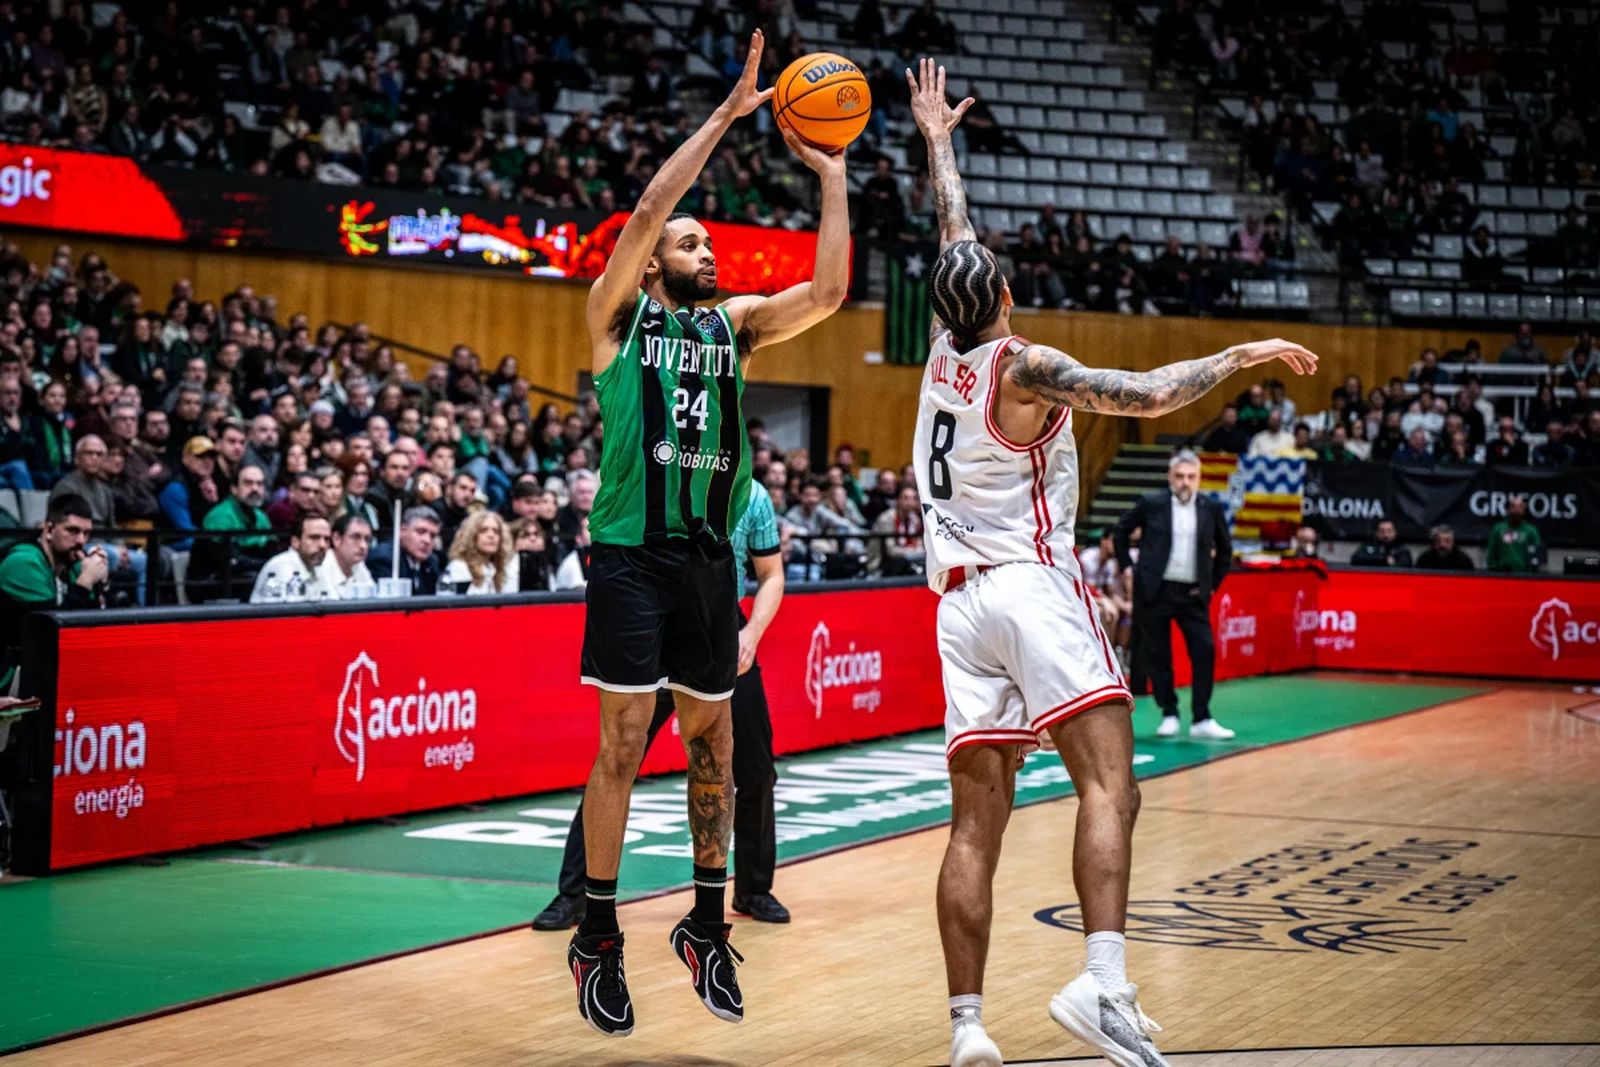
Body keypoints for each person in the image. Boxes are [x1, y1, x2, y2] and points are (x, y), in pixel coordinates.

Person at [904, 59, 1317, 1067]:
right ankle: (1102, 981)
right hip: (1027, 584)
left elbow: (953, 234)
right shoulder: (1025, 366)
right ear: (1006, 295)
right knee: (1110, 784)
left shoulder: (942, 349)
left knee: (973, 826)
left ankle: (966, 1027)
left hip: (954, 605)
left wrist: (938, 141)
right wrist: (1242, 354)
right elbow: (1148, 392)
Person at [567, 30, 848, 1036]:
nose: (706, 253)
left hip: (705, 560)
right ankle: (597, 935)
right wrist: (729, 116)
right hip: (630, 556)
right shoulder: (618, 321)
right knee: (621, 741)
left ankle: (704, 923)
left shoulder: (734, 328)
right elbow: (649, 209)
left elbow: (828, 293)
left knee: (714, 747)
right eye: (692, 245)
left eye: (708, 246)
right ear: (653, 265)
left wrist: (833, 175)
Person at [533, 486, 789, 931]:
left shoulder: (753, 497)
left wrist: (751, 635)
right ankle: (575, 895)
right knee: (617, 760)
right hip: (654, 621)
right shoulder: (656, 476)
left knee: (755, 770)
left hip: (721, 629)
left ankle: (753, 888)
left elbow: (772, 574)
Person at [1113, 451, 1236, 741]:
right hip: (1156, 590)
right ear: (1170, 477)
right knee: (1159, 655)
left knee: (1204, 650)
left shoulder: (1210, 508)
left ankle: (1202, 717)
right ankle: (1169, 712)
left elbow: (1225, 550)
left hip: (1192, 592)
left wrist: (1212, 584)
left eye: (1191, 477)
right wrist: (1127, 567)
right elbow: (1121, 532)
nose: (1185, 482)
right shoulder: (1152, 504)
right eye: (1180, 476)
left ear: (1199, 479)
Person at [0, 494, 106, 689]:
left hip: (38, 666)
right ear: (48, 530)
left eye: (86, 533)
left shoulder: (72, 564)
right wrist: (85, 582)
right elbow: (51, 632)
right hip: (9, 672)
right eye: (72, 531)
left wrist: (100, 583)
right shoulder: (23, 562)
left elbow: (90, 626)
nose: (81, 541)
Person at [193, 463, 275, 600]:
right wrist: (266, 565)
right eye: (248, 483)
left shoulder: (262, 517)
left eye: (260, 484)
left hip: (248, 576)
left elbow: (273, 551)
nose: (255, 488)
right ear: (234, 488)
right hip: (213, 582)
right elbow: (230, 561)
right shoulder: (220, 516)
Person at [249, 513, 333, 601]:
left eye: (327, 539)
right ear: (295, 542)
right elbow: (286, 609)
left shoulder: (319, 567)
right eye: (314, 537)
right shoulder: (280, 567)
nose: (323, 545)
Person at [443, 510, 517, 594]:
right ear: (472, 536)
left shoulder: (495, 570)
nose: (491, 535)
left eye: (496, 531)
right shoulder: (459, 567)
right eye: (483, 530)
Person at [869, 483, 926, 575]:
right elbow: (890, 550)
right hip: (882, 563)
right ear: (898, 500)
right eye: (905, 498)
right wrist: (912, 552)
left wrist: (916, 552)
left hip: (908, 559)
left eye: (914, 499)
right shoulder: (886, 519)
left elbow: (918, 544)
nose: (910, 502)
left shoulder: (915, 519)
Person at [318, 512, 374, 596]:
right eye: (355, 537)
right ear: (336, 539)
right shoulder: (322, 567)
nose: (363, 546)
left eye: (367, 539)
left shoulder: (359, 565)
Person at [393, 506, 443, 595]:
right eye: (420, 531)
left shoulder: (431, 562)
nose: (427, 540)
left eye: (432, 536)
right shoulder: (387, 559)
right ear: (402, 531)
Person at [1486, 496, 1540, 573]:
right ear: (1508, 510)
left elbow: (1536, 557)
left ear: (1524, 511)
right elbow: (1491, 553)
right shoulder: (1498, 529)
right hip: (1501, 574)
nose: (1517, 511)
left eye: (1520, 508)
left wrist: (1532, 575)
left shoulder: (1531, 531)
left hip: (1524, 575)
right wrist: (1493, 571)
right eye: (1513, 507)